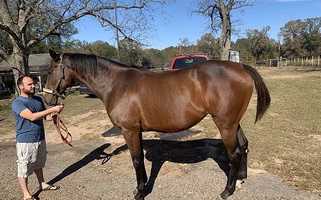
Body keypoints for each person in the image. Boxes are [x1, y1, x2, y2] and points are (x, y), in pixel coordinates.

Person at [12, 76, 64, 200]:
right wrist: (51, 109)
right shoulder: (18, 103)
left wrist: (55, 114)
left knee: (38, 164)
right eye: (29, 84)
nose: (33, 86)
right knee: (24, 167)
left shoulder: (37, 100)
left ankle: (42, 184)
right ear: (21, 87)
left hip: (40, 138)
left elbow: (45, 117)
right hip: (25, 141)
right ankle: (26, 194)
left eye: (33, 84)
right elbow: (32, 117)